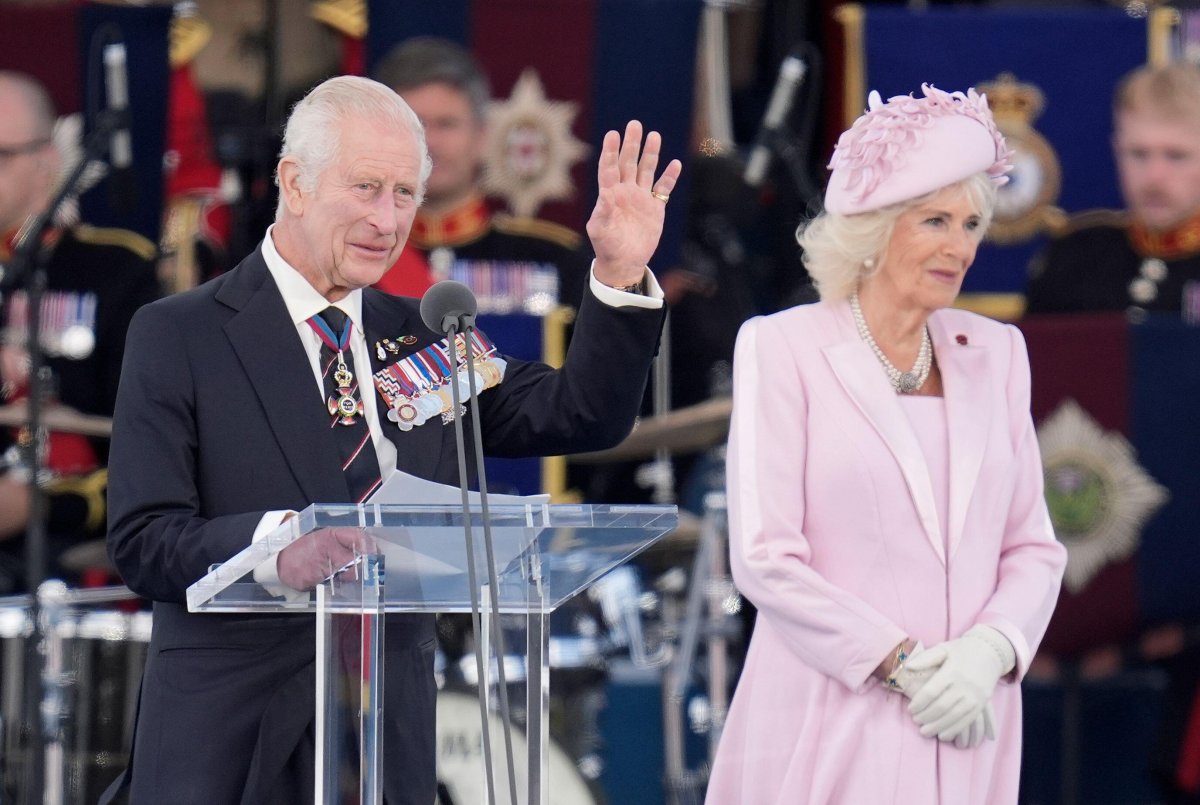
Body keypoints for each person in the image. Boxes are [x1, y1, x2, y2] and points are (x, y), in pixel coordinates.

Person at [102, 74, 680, 804]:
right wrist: (280, 546)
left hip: (386, 739)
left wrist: (621, 272)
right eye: (367, 187)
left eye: (405, 193)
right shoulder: (179, 332)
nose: (388, 217)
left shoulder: (422, 334)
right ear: (295, 182)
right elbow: (144, 538)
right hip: (230, 746)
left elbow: (581, 413)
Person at [705, 84, 1067, 804]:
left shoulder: (997, 353)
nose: (959, 246)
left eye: (970, 223)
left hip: (966, 717)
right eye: (934, 220)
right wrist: (903, 664)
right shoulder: (784, 347)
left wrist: (987, 653)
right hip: (833, 713)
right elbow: (766, 557)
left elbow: (1033, 547)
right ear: (872, 230)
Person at [0, 70, 160, 591]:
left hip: (64, 561)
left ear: (48, 161)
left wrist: (39, 504)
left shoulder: (113, 270)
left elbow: (154, 454)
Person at [370, 37, 593, 311]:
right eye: (416, 125)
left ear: (482, 137)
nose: (431, 143)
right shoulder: (358, 255)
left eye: (447, 124)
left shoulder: (553, 259)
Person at [1026, 62, 1200, 316]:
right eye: (1138, 154)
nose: (1154, 176)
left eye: (1176, 156)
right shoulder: (1074, 259)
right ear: (1117, 151)